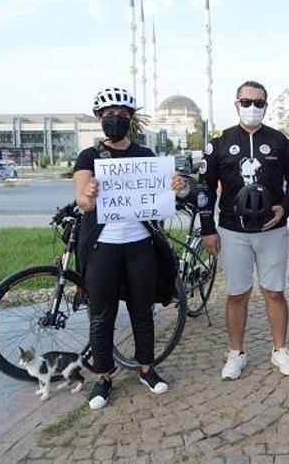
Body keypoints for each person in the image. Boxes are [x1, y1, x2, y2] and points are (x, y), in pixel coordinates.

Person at [73, 87, 186, 409]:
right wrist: (89, 196)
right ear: (99, 119)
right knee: (101, 314)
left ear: (131, 119)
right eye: (109, 115)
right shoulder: (89, 157)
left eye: (122, 115)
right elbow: (82, 200)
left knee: (142, 310)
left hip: (139, 244)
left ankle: (147, 367)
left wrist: (174, 188)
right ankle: (103, 376)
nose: (115, 120)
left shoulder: (145, 156)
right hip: (102, 247)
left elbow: (162, 198)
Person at [198, 80, 289, 380]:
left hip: (273, 229)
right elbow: (204, 188)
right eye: (247, 102)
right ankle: (236, 353)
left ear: (266, 106)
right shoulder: (218, 142)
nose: (253, 108)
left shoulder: (280, 140)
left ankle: (280, 350)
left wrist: (286, 207)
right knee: (236, 295)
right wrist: (208, 228)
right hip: (233, 231)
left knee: (274, 292)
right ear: (236, 104)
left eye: (259, 103)